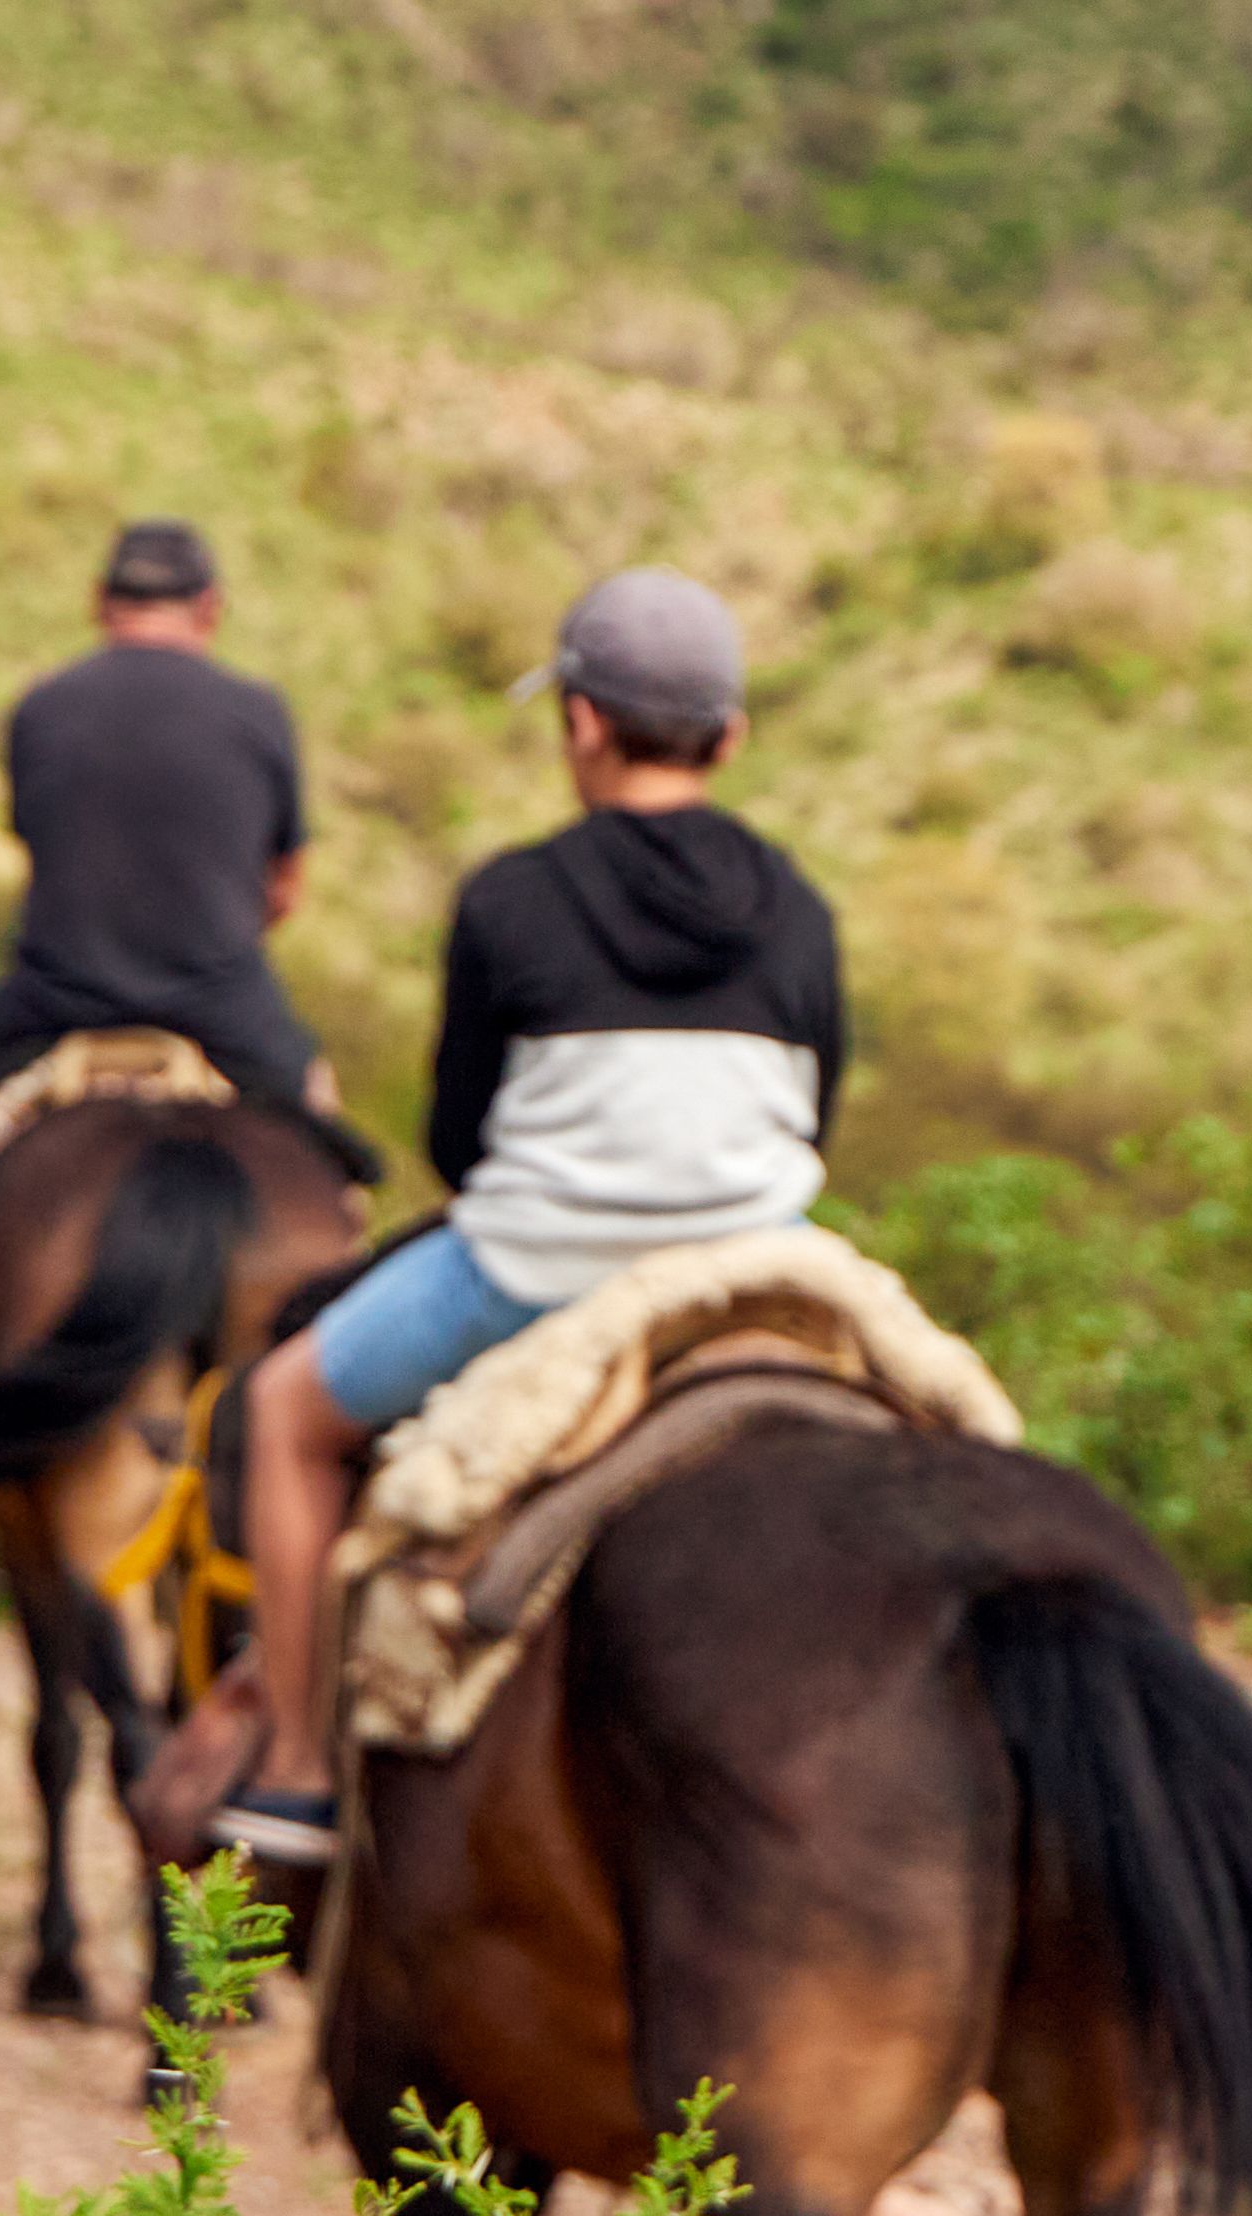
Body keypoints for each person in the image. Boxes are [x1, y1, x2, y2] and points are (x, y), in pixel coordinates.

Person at [185, 565, 848, 1872]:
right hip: (755, 1271)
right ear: (730, 738)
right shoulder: (799, 906)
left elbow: (455, 1138)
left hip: (538, 1272)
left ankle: (302, 1766)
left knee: (280, 1415)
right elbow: (814, 1115)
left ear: (581, 725)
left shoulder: (508, 898)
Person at [0, 519, 359, 1147]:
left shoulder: (41, 706)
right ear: (210, 609)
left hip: (52, 1002)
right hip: (224, 1007)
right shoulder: (259, 711)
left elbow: (42, 854)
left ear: (99, 601)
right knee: (328, 1142)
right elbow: (284, 893)